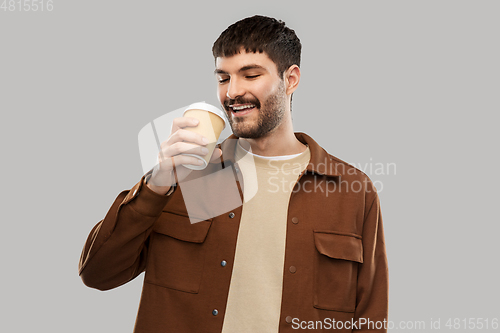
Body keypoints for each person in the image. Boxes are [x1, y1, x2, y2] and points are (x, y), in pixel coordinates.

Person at [79, 15, 388, 333]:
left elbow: (370, 317)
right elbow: (98, 274)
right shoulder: (189, 175)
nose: (232, 92)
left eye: (250, 75)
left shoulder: (351, 190)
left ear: (291, 79)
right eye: (223, 78)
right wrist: (157, 183)